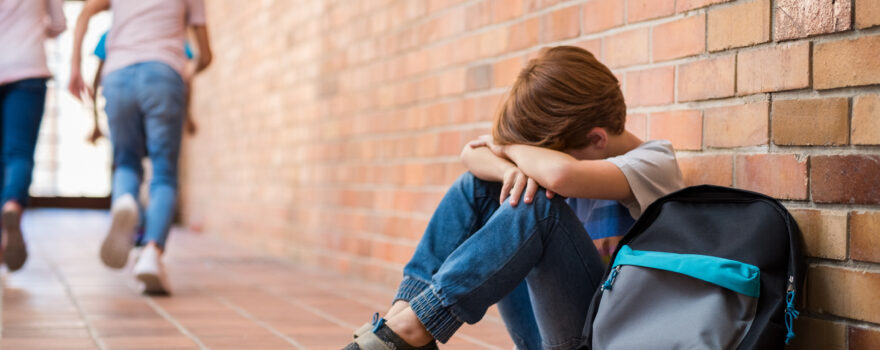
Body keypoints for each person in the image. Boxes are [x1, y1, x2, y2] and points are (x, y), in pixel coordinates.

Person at [343, 46, 685, 350]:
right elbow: (471, 154)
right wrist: (508, 170)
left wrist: (506, 148)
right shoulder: (570, 156)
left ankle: (414, 327)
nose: (536, 161)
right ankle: (399, 322)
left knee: (538, 205)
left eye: (548, 154)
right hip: (546, 332)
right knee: (478, 187)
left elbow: (560, 174)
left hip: (601, 339)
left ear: (597, 140)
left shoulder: (654, 163)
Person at [69, 0, 212, 294]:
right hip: (163, 73)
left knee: (125, 163)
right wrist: (190, 71)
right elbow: (206, 54)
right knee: (163, 173)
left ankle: (125, 200)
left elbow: (85, 12)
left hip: (117, 76)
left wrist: (74, 67)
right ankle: (151, 253)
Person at [0, 0, 66, 272]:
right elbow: (59, 24)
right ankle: (13, 205)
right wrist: (37, 27)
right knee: (19, 151)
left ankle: (2, 241)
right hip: (29, 67)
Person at [88, 31, 199, 144]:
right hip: (154, 97)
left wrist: (188, 115)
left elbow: (97, 81)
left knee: (127, 156)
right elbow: (185, 77)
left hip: (135, 100)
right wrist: (95, 123)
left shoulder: (112, 34)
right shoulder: (170, 30)